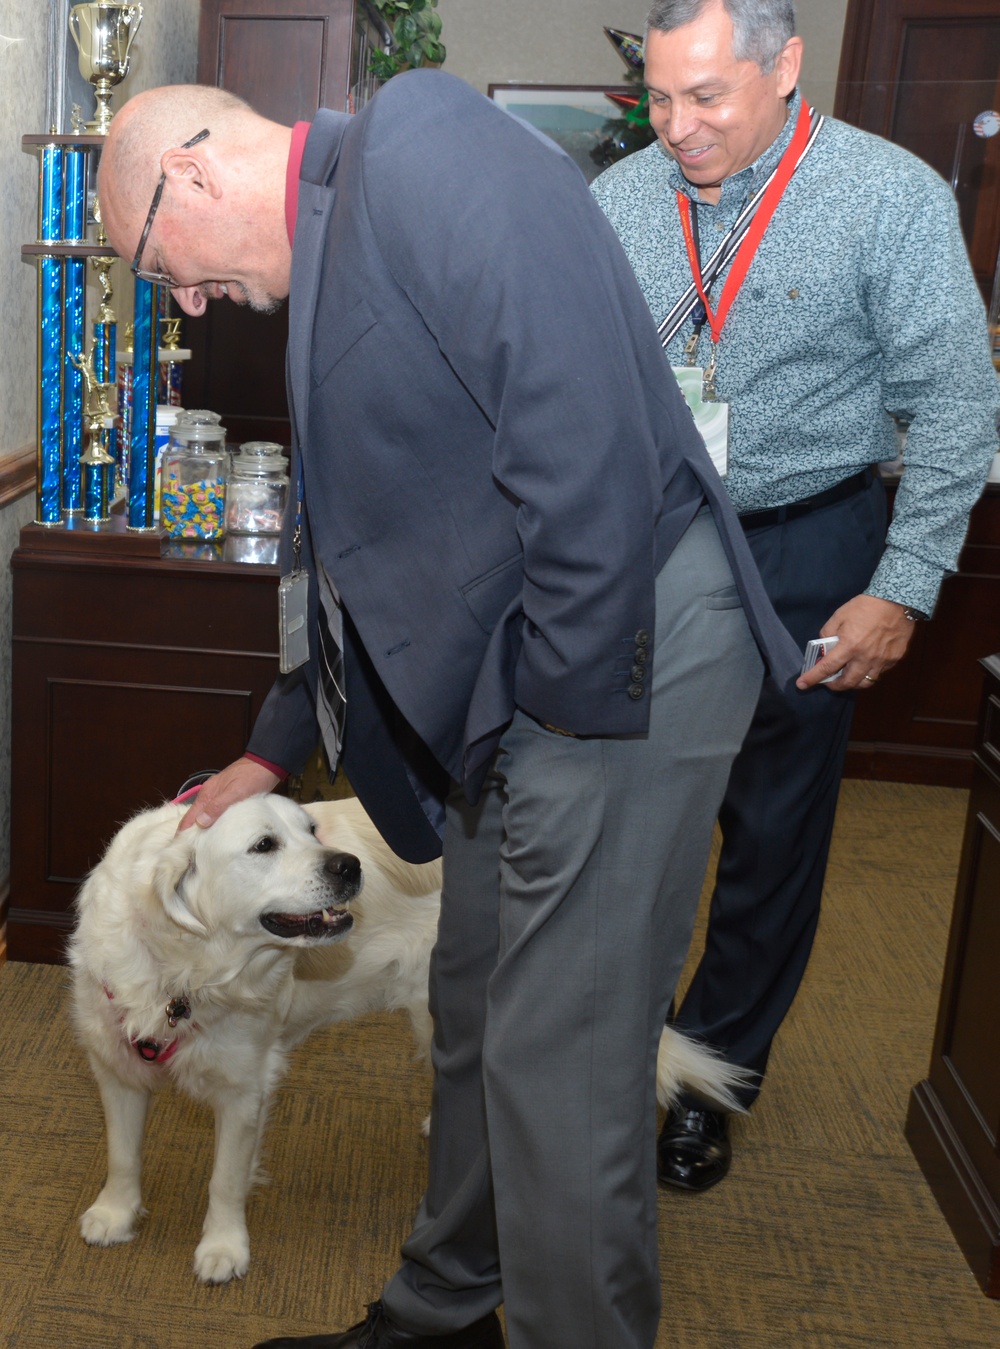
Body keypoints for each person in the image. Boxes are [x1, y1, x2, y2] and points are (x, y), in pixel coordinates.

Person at [98, 73, 802, 1349]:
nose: (187, 299)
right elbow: (370, 563)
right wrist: (273, 747)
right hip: (521, 677)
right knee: (478, 1010)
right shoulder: (343, 241)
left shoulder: (419, 141)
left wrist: (563, 719)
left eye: (162, 267)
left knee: (566, 1066)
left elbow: (577, 428)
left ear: (190, 174)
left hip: (613, 655)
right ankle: (447, 1309)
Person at [592, 0, 1000, 1193]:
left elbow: (956, 406)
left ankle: (706, 1075)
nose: (678, 128)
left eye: (707, 97)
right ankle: (602, 1051)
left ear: (784, 70)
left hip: (807, 543)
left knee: (769, 831)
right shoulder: (617, 200)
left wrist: (902, 586)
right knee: (618, 815)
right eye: (659, 100)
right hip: (647, 543)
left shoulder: (888, 195)